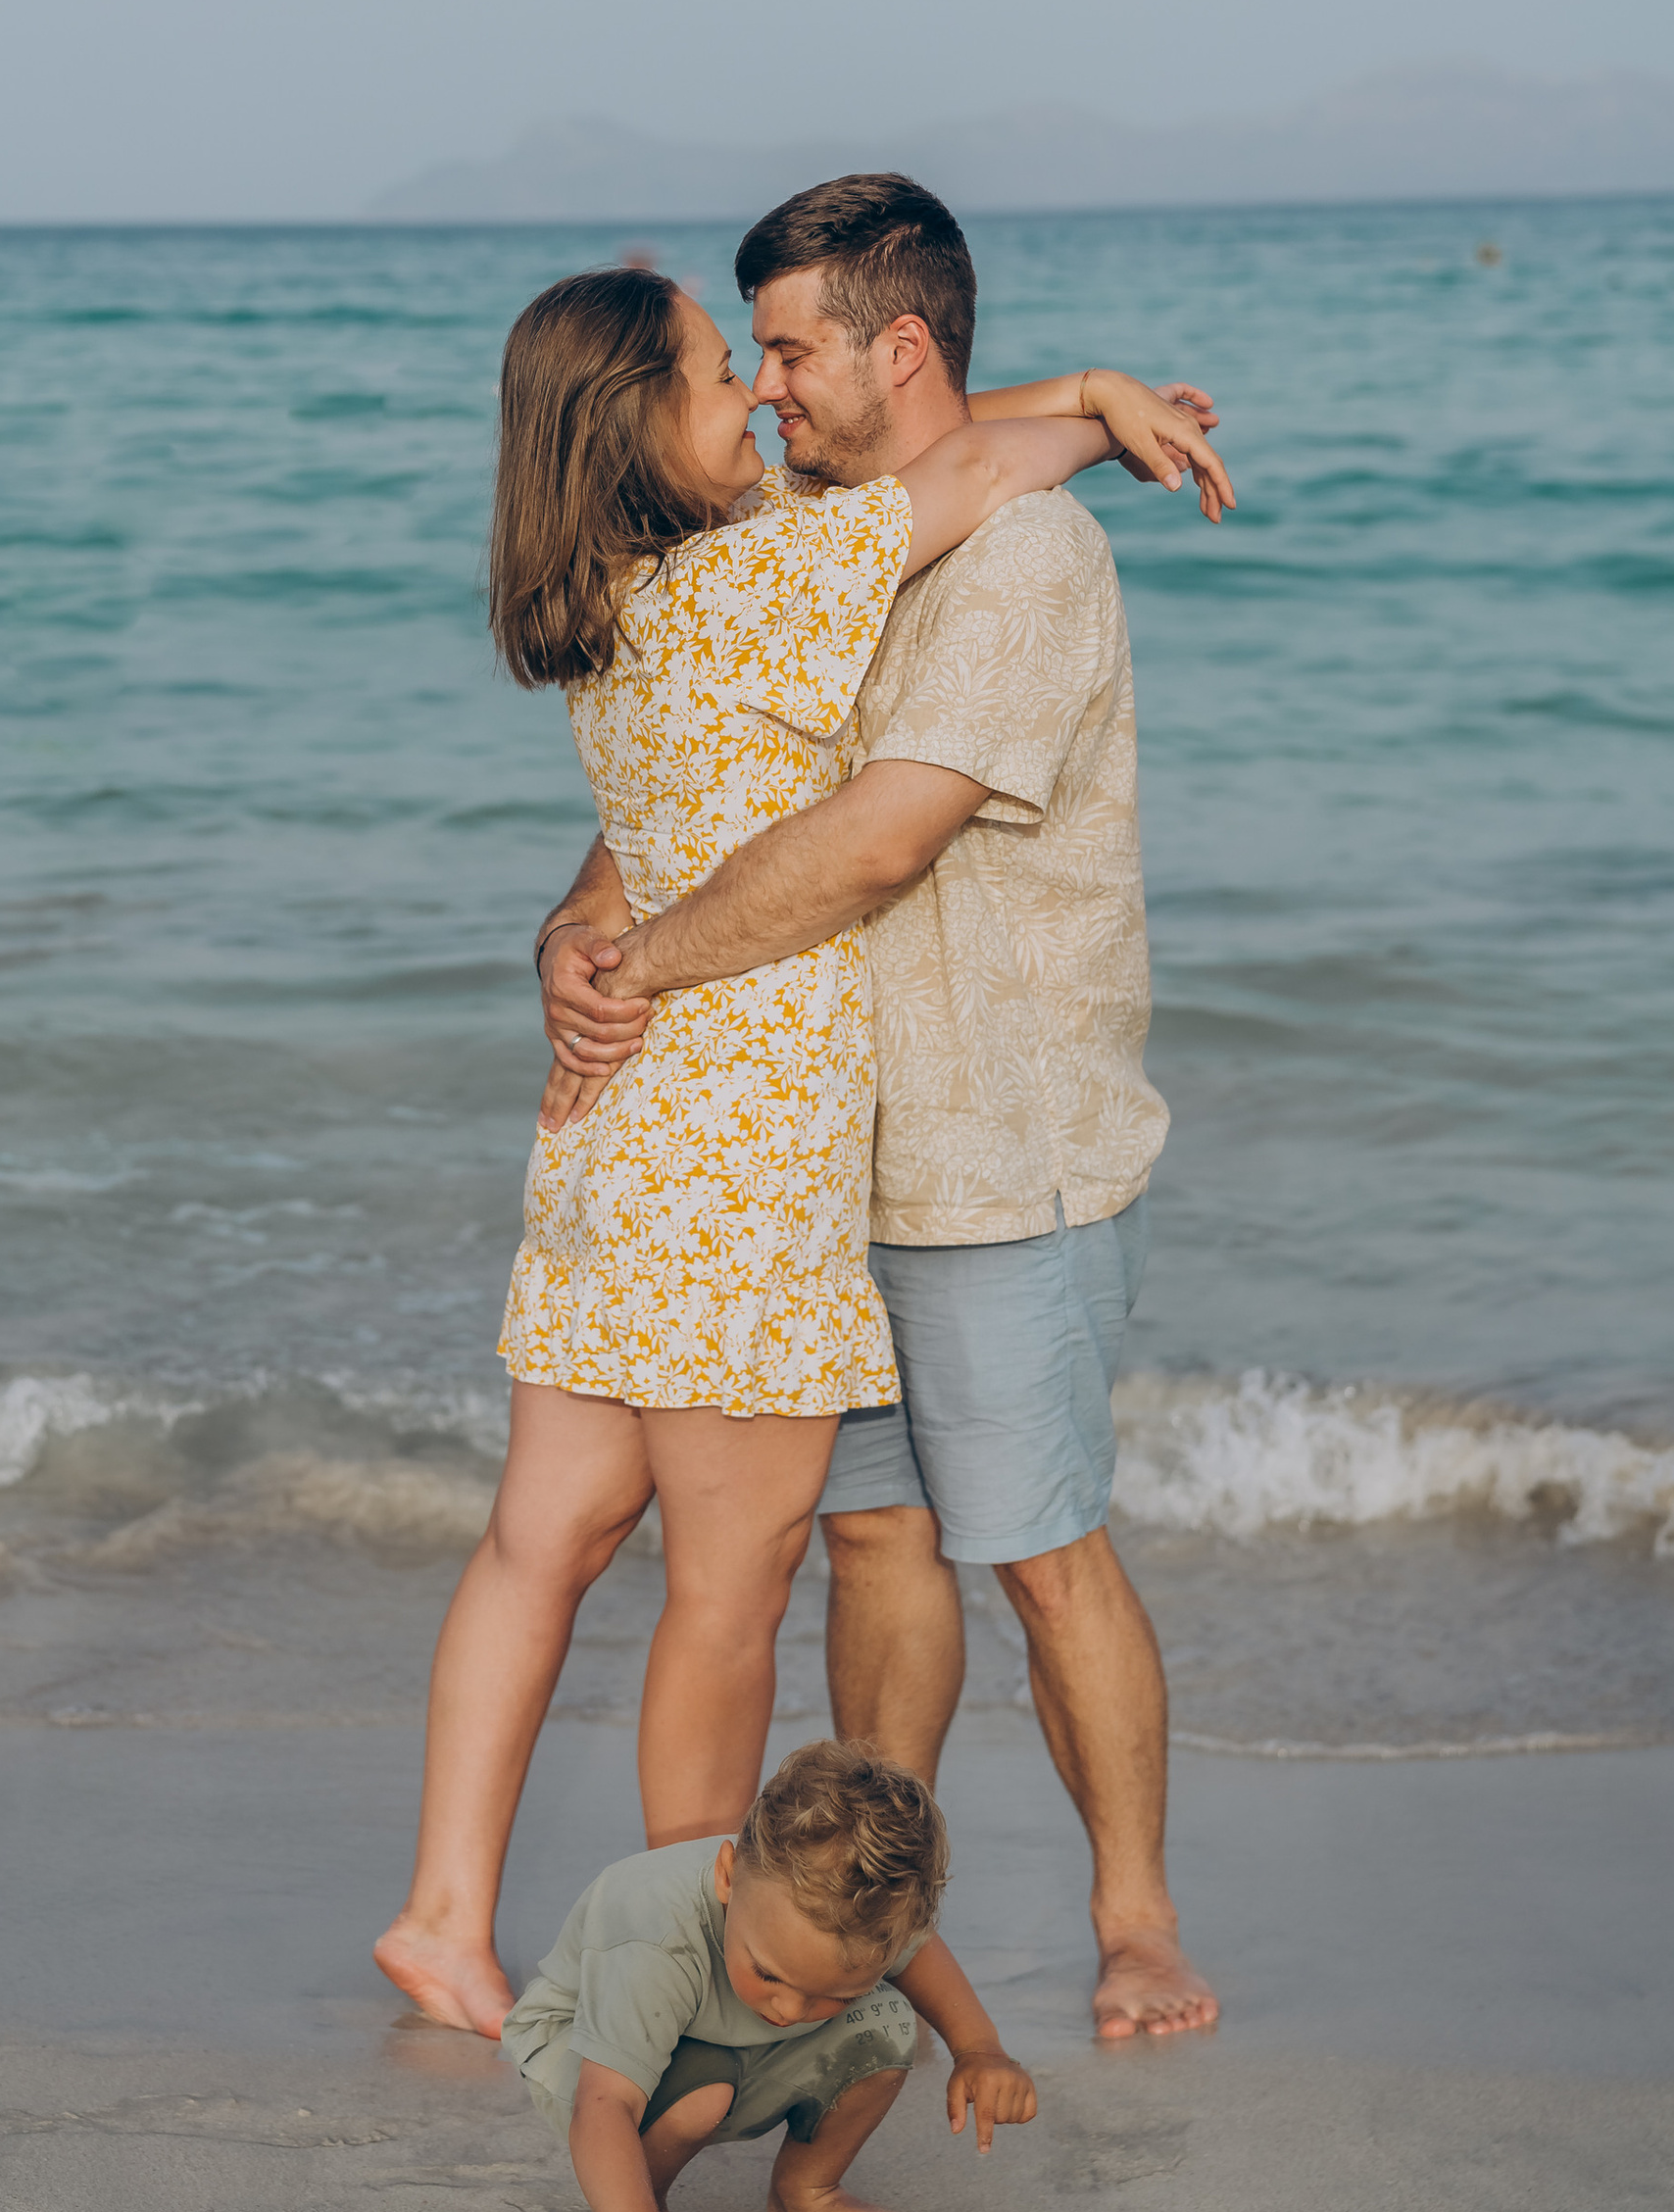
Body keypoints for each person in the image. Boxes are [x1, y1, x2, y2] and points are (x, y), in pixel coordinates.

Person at [372, 266, 1229, 2037]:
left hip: (617, 1139)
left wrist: (594, 950)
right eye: (718, 371)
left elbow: (671, 819)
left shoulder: (622, 599)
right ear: (640, 432)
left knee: (544, 1540)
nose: (754, 399)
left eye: (770, 357)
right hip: (740, 1141)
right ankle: (700, 1963)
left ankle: (445, 1912)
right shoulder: (764, 576)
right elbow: (982, 480)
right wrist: (1103, 400)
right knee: (730, 1588)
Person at [502, 1738, 1035, 2212]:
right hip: (584, 2051)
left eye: (830, 1994)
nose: (789, 2011)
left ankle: (804, 2197)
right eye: (771, 1975)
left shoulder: (868, 1907)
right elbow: (605, 2104)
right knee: (704, 2093)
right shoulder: (652, 1929)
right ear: (729, 1876)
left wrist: (979, 2048)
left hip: (720, 2038)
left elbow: (918, 1952)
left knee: (888, 2026)